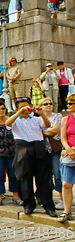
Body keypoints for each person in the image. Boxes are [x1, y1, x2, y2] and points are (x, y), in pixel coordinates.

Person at [6, 97, 57, 217]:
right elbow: (8, 124)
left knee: (43, 180)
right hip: (23, 149)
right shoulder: (16, 120)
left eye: (27, 107)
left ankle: (48, 205)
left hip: (38, 148)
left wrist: (42, 114)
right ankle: (28, 205)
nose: (25, 110)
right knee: (26, 180)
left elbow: (47, 125)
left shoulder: (36, 119)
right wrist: (19, 113)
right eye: (22, 107)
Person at [39, 97, 64, 210]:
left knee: (58, 174)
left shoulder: (57, 116)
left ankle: (62, 198)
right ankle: (47, 198)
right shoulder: (38, 118)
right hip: (43, 149)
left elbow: (55, 130)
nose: (49, 105)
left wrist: (42, 132)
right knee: (45, 175)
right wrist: (47, 132)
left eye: (50, 103)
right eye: (46, 104)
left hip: (54, 149)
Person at [58, 94, 75, 222]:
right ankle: (66, 211)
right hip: (68, 153)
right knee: (66, 184)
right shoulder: (65, 119)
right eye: (67, 103)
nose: (68, 106)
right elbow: (63, 137)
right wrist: (68, 149)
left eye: (71, 103)